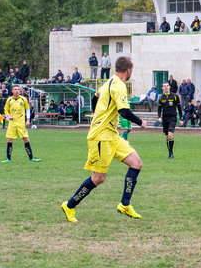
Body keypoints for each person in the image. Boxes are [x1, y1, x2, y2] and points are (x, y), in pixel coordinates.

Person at [61, 56, 147, 222]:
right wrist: (140, 122)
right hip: (101, 135)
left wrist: (99, 114)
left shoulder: (108, 83)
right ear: (128, 70)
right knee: (98, 178)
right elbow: (123, 111)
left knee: (136, 163)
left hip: (112, 134)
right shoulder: (119, 85)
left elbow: (95, 97)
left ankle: (125, 204)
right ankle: (70, 205)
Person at [2, 84, 40, 162]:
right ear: (12, 91)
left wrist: (28, 120)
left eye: (18, 89)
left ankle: (31, 158)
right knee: (10, 139)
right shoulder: (9, 100)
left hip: (21, 123)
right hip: (12, 123)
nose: (17, 91)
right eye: (15, 89)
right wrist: (8, 115)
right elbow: (5, 110)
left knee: (26, 139)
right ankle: (8, 158)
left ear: (20, 91)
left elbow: (27, 109)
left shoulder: (23, 99)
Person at [157, 82, 183, 159]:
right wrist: (159, 117)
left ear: (169, 87)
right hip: (165, 118)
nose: (166, 87)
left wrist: (181, 118)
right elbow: (159, 109)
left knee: (170, 135)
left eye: (167, 86)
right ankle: (170, 153)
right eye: (164, 86)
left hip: (172, 118)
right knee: (167, 137)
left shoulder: (175, 96)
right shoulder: (161, 98)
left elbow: (179, 108)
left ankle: (171, 153)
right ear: (162, 88)